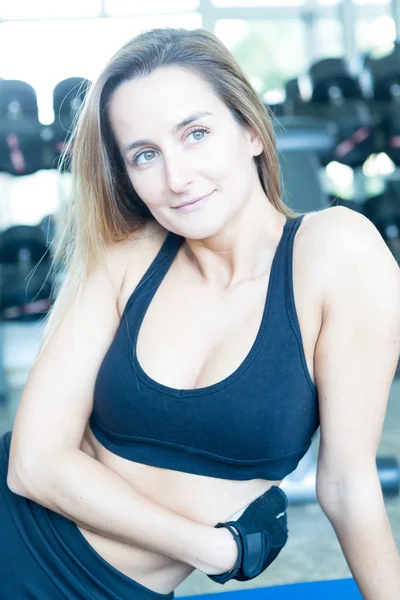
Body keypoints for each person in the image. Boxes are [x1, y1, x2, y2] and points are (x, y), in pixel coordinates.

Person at [1, 26, 400, 600]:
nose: (176, 178)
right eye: (145, 155)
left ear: (251, 131)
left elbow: (348, 484)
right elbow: (32, 464)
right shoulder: (127, 259)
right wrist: (216, 548)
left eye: (196, 133)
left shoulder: (338, 251)